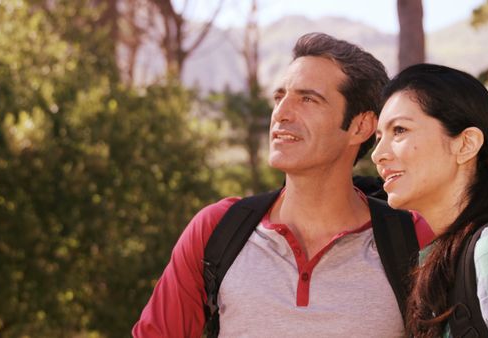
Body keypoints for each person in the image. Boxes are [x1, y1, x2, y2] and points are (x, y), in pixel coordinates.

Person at [133, 33, 433, 337]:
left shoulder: (414, 239)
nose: (281, 113)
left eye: (307, 99)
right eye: (279, 97)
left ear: (360, 126)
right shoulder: (217, 229)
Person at [372, 63, 488, 337]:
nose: (378, 154)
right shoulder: (440, 261)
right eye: (378, 138)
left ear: (465, 144)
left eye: (400, 130)